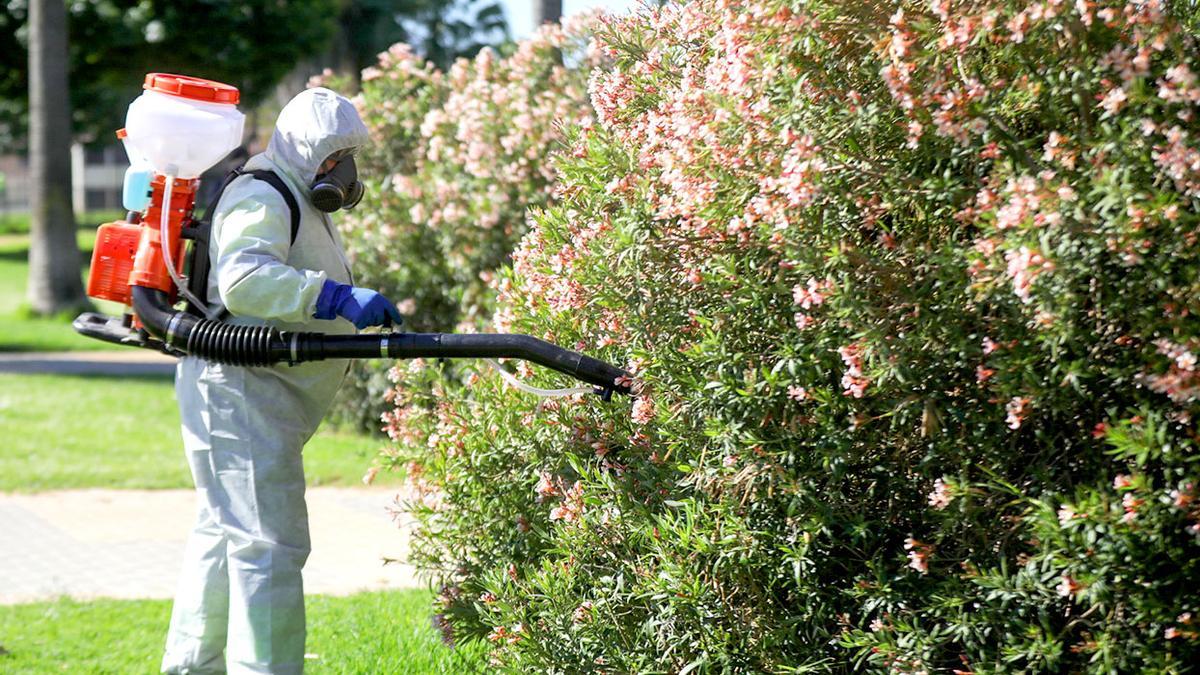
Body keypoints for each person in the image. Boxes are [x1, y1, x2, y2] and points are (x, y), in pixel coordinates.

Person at [161, 87, 402, 674]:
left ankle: (191, 668)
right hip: (241, 393)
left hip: (260, 397)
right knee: (270, 549)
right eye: (329, 154)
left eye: (345, 155)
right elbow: (244, 279)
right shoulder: (260, 192)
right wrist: (334, 297)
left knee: (226, 538)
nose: (340, 170)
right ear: (299, 149)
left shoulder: (297, 194)